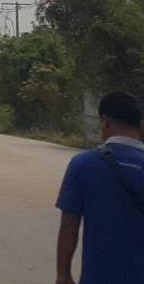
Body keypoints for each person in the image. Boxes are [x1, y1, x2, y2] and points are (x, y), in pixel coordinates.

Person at [55, 91, 144, 284]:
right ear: (141, 125)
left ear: (105, 122)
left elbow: (69, 226)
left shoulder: (82, 164)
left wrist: (63, 274)